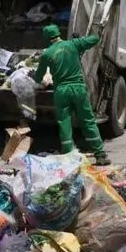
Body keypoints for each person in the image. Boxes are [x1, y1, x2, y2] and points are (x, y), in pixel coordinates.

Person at [33, 23, 111, 166]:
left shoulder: (47, 54)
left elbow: (38, 77)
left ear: (47, 37)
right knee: (88, 121)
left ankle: (68, 156)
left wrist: (36, 75)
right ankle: (100, 155)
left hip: (61, 91)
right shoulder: (74, 44)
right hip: (78, 89)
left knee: (64, 122)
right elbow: (94, 39)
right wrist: (85, 36)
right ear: (58, 34)